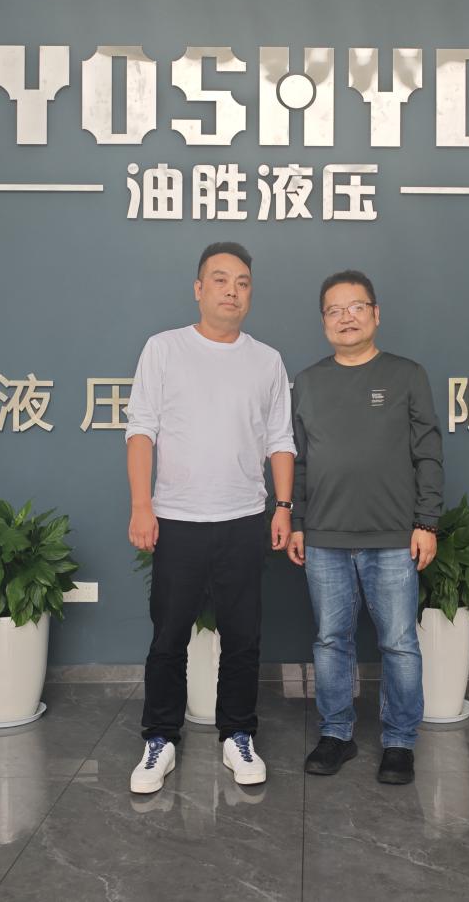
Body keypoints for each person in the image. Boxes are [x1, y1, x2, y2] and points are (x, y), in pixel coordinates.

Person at [125, 242, 296, 794]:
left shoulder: (267, 361)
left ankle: (238, 735)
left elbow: (280, 439)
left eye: (242, 282)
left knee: (243, 638)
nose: (232, 291)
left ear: (251, 293)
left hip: (244, 518)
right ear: (199, 289)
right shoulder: (164, 349)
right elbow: (141, 430)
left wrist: (283, 506)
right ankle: (159, 739)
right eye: (220, 280)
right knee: (168, 636)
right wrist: (142, 505)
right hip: (177, 519)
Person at [288, 270, 444, 784]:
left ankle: (400, 741)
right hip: (325, 537)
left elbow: (428, 453)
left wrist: (426, 522)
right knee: (331, 641)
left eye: (356, 307)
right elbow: (299, 461)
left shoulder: (407, 375)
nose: (346, 318)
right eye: (334, 310)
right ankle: (336, 733)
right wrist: (297, 522)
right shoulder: (308, 382)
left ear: (376, 314)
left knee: (398, 643)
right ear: (323, 322)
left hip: (394, 537)